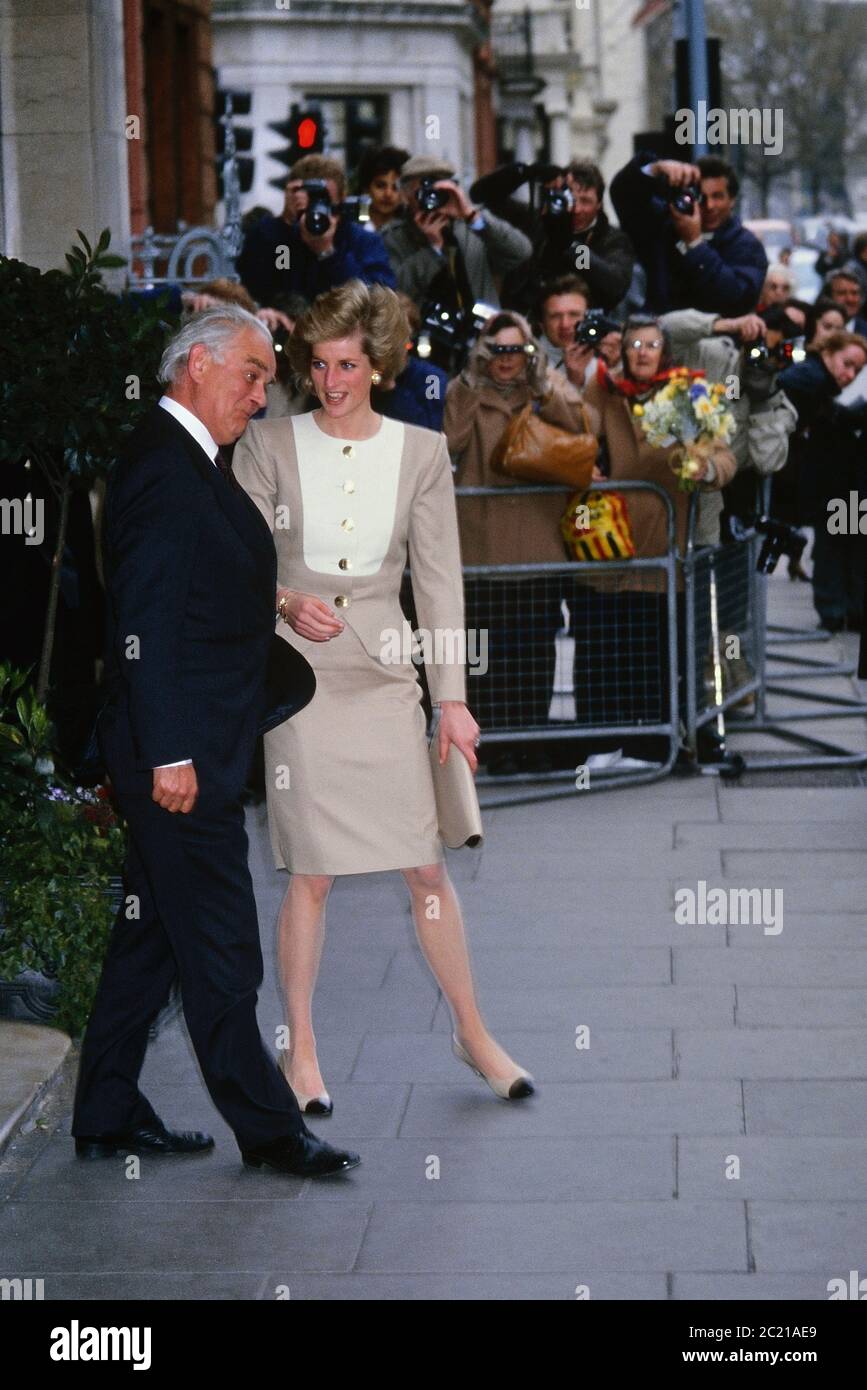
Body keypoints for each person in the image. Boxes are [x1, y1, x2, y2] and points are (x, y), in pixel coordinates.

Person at [231, 281, 534, 1111]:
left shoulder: (420, 452)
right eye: (320, 364)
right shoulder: (266, 445)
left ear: (380, 365)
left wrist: (452, 698)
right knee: (313, 874)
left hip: (388, 676)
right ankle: (301, 1053)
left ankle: (472, 1033)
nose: (331, 382)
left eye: (349, 365)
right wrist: (285, 602)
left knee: (425, 866)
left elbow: (438, 583)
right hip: (298, 680)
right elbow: (240, 562)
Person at [72, 306, 359, 1178]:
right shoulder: (166, 468)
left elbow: (205, 579)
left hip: (190, 744)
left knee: (152, 938)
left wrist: (278, 606)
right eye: (252, 373)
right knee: (224, 946)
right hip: (179, 759)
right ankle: (271, 1133)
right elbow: (149, 624)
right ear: (196, 365)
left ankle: (107, 1110)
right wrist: (166, 755)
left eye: (266, 377)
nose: (260, 391)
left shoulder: (190, 459)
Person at [444, 309, 599, 773]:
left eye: (516, 349)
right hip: (483, 544)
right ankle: (491, 742)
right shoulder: (464, 390)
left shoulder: (542, 388)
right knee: (487, 648)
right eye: (497, 350)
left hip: (537, 538)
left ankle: (529, 740)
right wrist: (471, 381)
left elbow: (583, 425)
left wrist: (546, 378)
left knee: (535, 644)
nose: (506, 360)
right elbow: (448, 441)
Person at [579, 316, 736, 762]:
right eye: (634, 345)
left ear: (664, 351)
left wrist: (708, 469)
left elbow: (724, 454)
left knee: (655, 648)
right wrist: (580, 463)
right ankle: (604, 745)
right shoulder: (603, 388)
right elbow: (575, 430)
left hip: (664, 542)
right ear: (623, 351)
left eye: (651, 344)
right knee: (603, 649)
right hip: (606, 542)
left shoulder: (690, 390)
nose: (643, 352)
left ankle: (652, 747)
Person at [779, 329, 867, 631]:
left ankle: (846, 610)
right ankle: (837, 611)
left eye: (856, 369)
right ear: (829, 353)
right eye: (847, 363)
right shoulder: (812, 379)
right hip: (831, 482)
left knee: (848, 545)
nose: (849, 374)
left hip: (844, 483)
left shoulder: (820, 382)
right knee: (835, 546)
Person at [610, 153, 767, 317]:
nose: (710, 206)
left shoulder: (747, 245)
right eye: (702, 197)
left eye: (718, 196)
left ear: (732, 200)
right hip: (660, 332)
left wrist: (695, 244)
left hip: (717, 336)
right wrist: (654, 169)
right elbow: (624, 196)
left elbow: (736, 299)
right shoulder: (665, 226)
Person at [237, 154, 395, 310]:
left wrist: (328, 252)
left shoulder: (362, 241)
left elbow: (376, 299)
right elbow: (258, 290)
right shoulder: (280, 240)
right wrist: (284, 225)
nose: (318, 211)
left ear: (341, 200)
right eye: (311, 201)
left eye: (326, 202)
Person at [382, 155, 532, 312]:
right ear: (406, 197)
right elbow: (394, 293)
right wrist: (433, 250)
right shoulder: (393, 238)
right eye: (422, 193)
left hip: (480, 330)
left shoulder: (472, 228)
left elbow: (520, 252)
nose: (431, 198)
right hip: (424, 331)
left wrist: (471, 215)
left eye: (438, 191)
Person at [511, 159, 635, 316]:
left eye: (585, 201)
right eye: (570, 199)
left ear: (599, 204)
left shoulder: (613, 239)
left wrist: (572, 247)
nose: (576, 209)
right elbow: (482, 197)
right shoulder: (537, 223)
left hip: (585, 320)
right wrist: (526, 172)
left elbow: (615, 286)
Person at [535, 274, 621, 389]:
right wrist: (574, 382)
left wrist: (616, 369)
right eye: (555, 316)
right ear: (542, 325)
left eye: (573, 314)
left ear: (589, 318)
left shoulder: (605, 355)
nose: (565, 324)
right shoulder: (528, 364)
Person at [355, 144, 410, 232]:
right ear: (366, 188)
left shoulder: (409, 231)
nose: (388, 194)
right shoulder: (351, 227)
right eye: (380, 186)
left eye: (395, 187)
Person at [824, 268, 867, 337]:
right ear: (828, 297)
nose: (850, 299)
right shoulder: (819, 333)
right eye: (842, 293)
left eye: (854, 293)